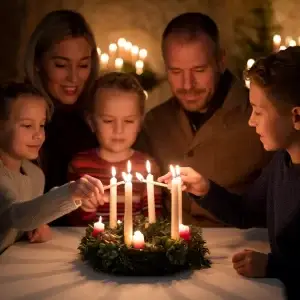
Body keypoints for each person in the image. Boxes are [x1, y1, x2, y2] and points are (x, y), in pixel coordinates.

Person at [159, 47, 300, 299]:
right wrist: (204, 188)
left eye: (258, 111)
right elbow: (246, 212)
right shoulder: (281, 162)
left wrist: (273, 266)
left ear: (297, 116)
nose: (251, 121)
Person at [135, 12, 269, 226]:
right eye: (176, 71)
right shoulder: (155, 123)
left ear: (220, 61)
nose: (187, 84)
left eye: (199, 70)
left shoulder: (258, 118)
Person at [0, 82, 106, 253]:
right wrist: (70, 192)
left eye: (41, 125)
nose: (38, 134)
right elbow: (17, 216)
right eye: (27, 125)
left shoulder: (35, 175)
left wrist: (37, 227)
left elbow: (28, 218)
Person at [67, 72, 162, 225]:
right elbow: (73, 223)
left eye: (129, 121)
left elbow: (154, 220)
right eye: (108, 120)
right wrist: (85, 209)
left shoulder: (148, 167)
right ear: (91, 121)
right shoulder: (79, 166)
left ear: (140, 123)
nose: (119, 130)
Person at [23, 9, 99, 193]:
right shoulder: (20, 113)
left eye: (82, 65)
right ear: (37, 63)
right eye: (61, 65)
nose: (74, 78)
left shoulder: (94, 116)